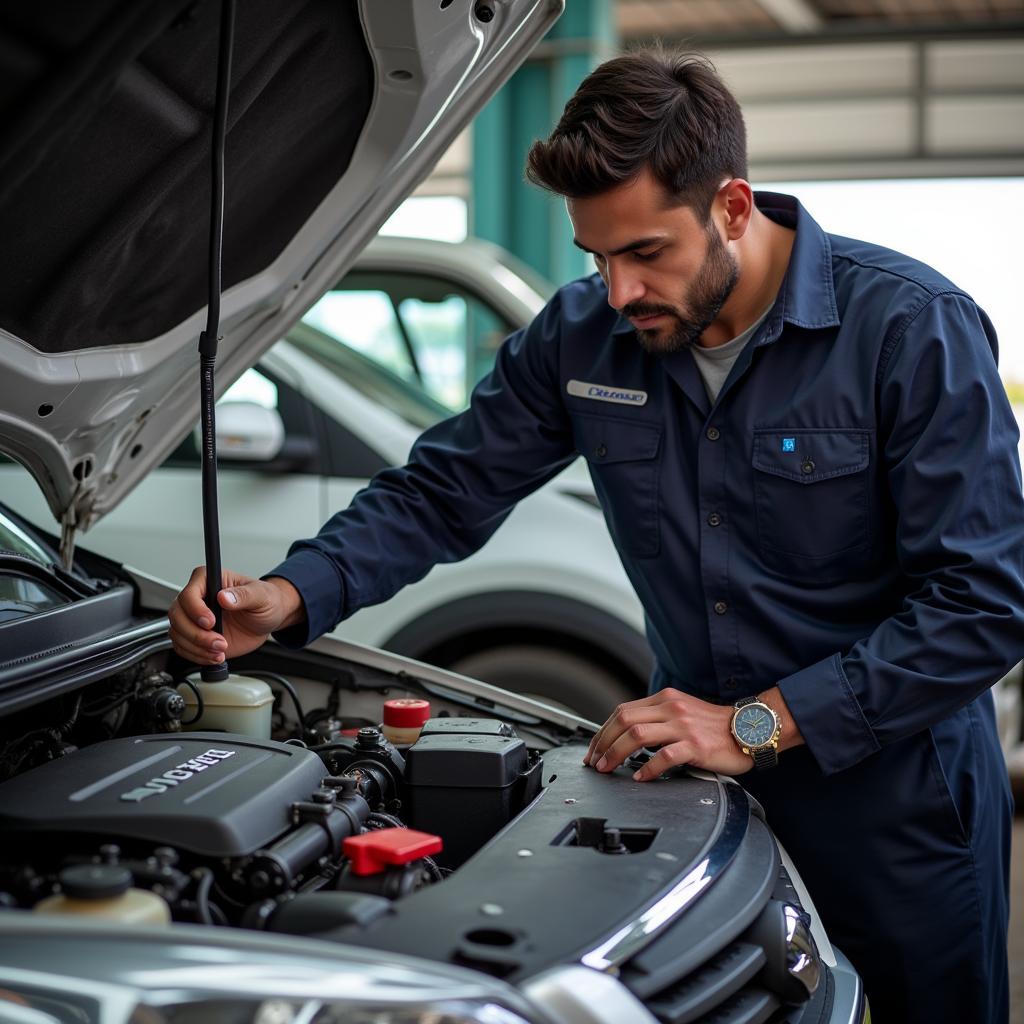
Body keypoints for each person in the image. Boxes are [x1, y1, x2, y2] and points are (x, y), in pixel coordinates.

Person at [169, 48, 1021, 1023]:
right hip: (704, 802)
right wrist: (289, 594)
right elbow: (447, 489)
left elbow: (985, 603)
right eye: (596, 257)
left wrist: (756, 722)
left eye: (645, 252)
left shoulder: (910, 331)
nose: (616, 291)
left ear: (732, 207)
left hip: (898, 808)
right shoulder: (582, 338)